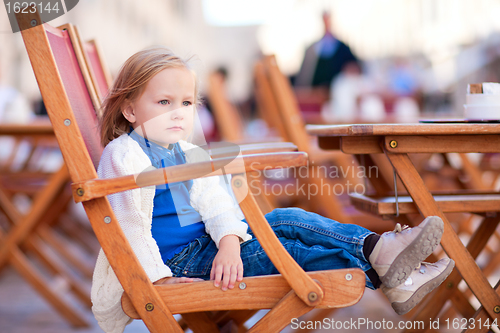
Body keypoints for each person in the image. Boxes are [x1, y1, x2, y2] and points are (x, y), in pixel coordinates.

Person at [91, 47, 455, 333]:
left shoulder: (187, 152)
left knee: (286, 218)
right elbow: (127, 228)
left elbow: (216, 204)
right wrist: (161, 281)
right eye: (163, 102)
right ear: (129, 110)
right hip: (179, 265)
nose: (178, 113)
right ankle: (392, 272)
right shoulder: (124, 155)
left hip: (213, 252)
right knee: (289, 252)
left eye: (186, 103)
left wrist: (230, 243)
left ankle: (379, 250)